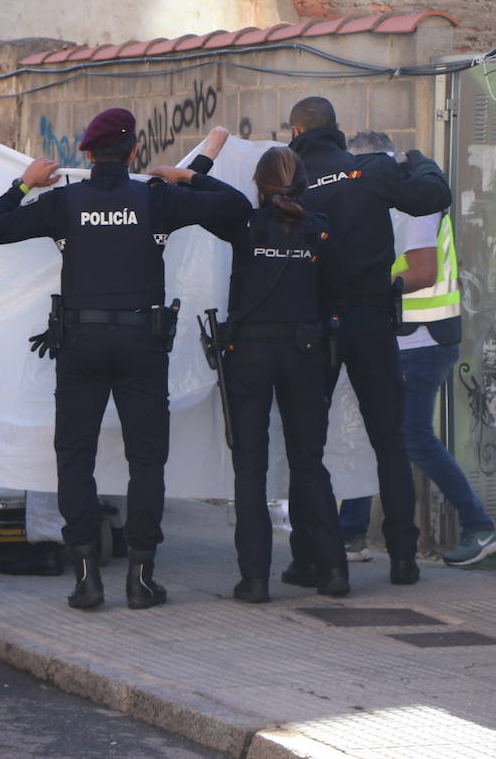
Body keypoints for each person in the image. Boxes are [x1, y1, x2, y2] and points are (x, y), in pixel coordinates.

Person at [0, 108, 250, 610]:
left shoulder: (63, 201)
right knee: (147, 461)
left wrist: (24, 183)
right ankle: (141, 581)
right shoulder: (156, 198)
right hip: (142, 344)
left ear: (86, 153)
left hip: (80, 345)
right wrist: (186, 176)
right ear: (134, 152)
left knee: (74, 457)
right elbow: (237, 207)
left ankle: (86, 580)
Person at [282, 99, 451, 588]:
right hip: (371, 319)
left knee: (307, 447)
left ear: (296, 131)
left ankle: (311, 558)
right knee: (389, 439)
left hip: (312, 325)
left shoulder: (290, 179)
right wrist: (421, 161)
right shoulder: (370, 169)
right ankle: (403, 559)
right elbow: (431, 195)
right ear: (337, 128)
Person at [178, 131, 348, 602]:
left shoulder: (244, 223)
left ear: (259, 184)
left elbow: (195, 198)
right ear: (303, 185)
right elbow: (332, 294)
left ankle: (254, 580)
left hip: (249, 353)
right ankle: (334, 572)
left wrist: (194, 169)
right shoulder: (321, 229)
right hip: (305, 353)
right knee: (309, 463)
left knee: (250, 468)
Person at [336, 131, 495, 568]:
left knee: (412, 437)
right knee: (377, 434)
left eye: (358, 168)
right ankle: (351, 533)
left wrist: (363, 288)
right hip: (401, 337)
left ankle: (479, 526)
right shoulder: (387, 201)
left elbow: (423, 272)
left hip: (422, 340)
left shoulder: (417, 203)